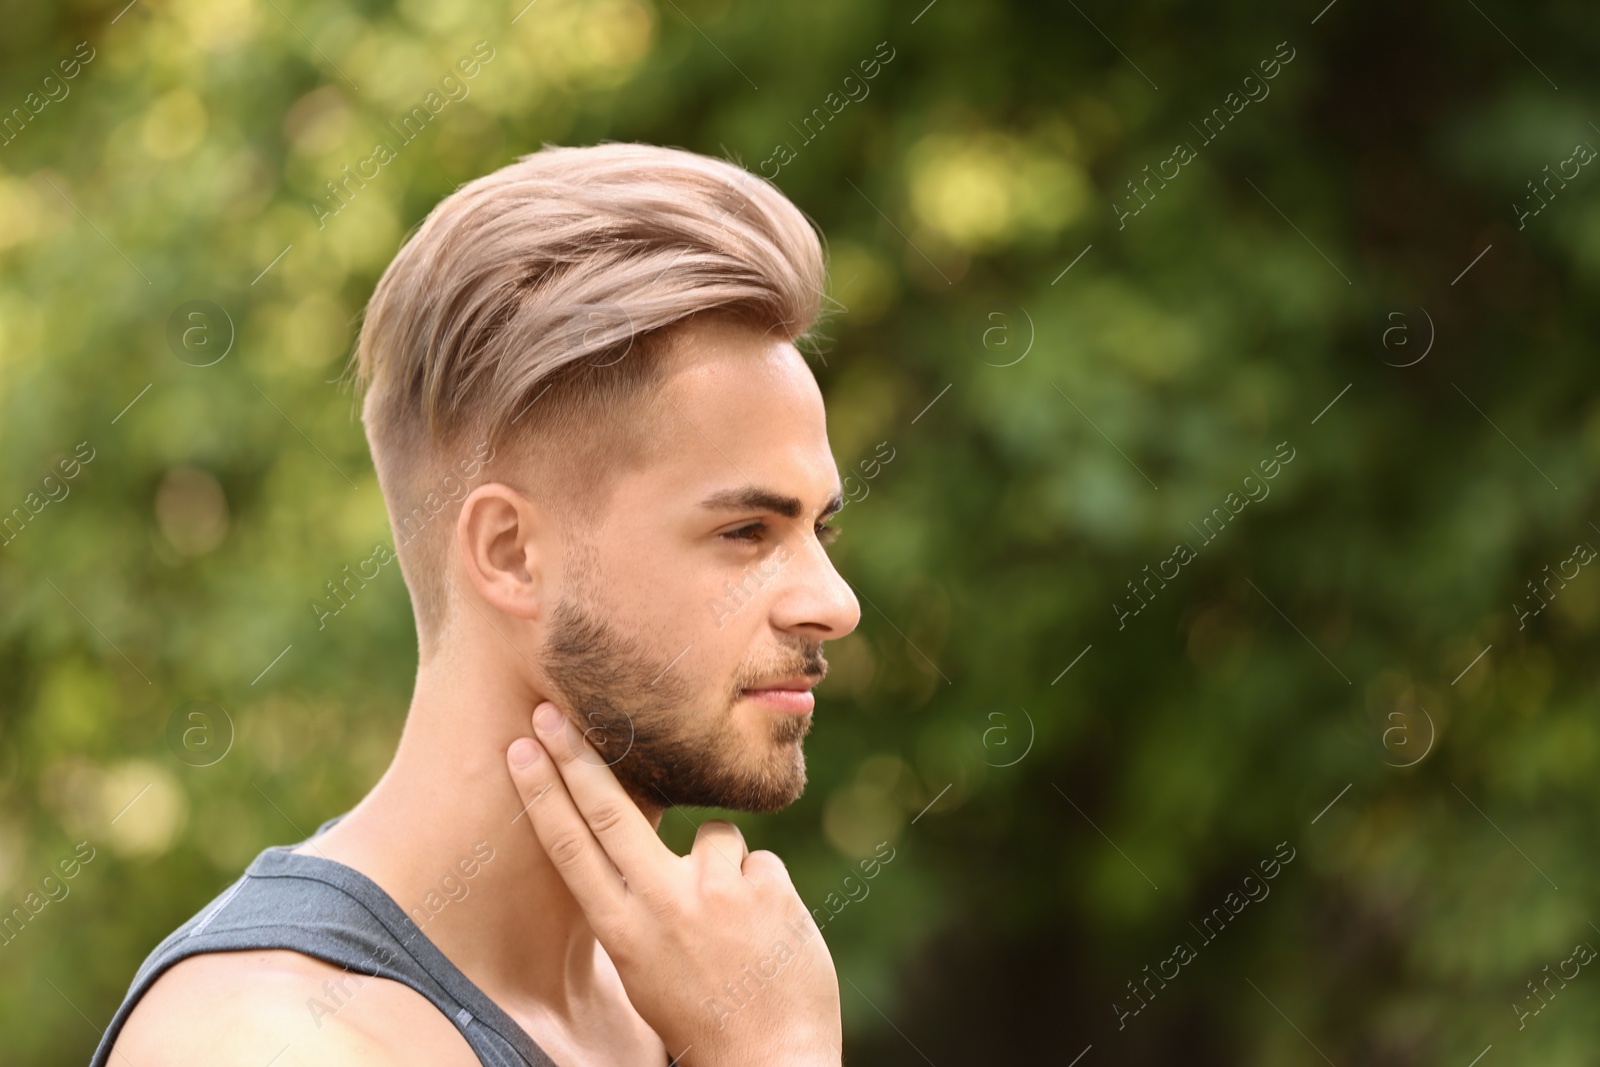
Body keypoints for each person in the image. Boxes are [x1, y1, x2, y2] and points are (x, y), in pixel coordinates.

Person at [91, 141, 861, 1066]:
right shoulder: (266, 1040)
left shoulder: (687, 1004)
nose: (833, 601)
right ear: (511, 554)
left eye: (821, 529)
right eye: (746, 532)